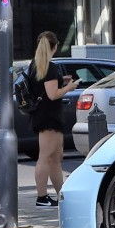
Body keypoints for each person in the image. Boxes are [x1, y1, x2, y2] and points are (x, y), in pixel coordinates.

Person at [29, 31, 80, 207]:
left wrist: (61, 79)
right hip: (49, 117)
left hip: (44, 116)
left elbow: (45, 86)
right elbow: (52, 94)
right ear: (55, 46)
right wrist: (70, 87)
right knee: (45, 156)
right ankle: (41, 197)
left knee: (56, 156)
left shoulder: (36, 65)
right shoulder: (49, 67)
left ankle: (62, 195)